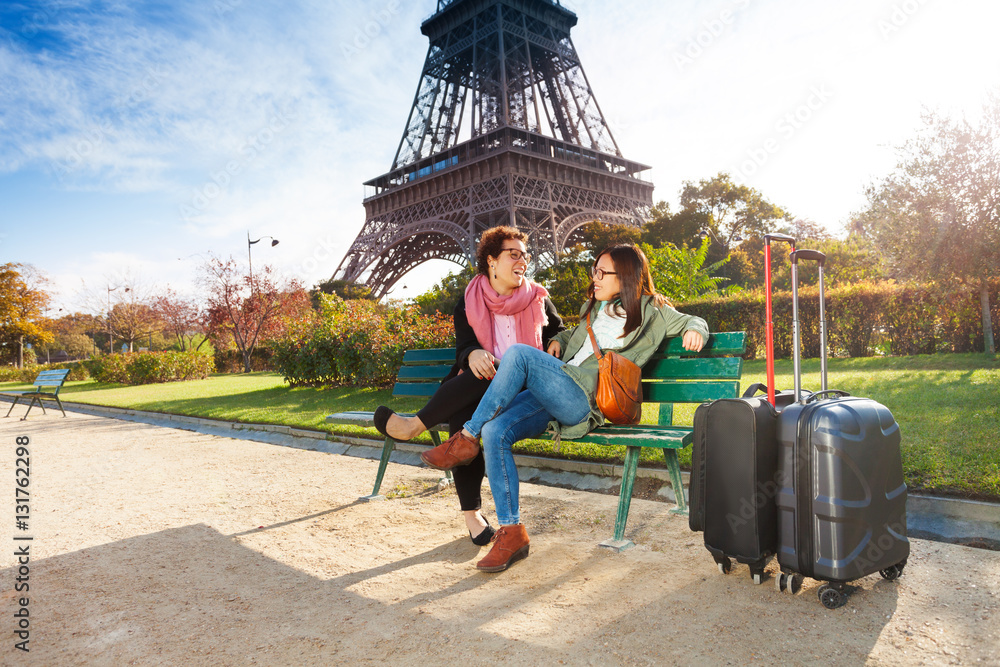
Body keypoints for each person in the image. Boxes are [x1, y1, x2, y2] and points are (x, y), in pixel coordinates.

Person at [420, 243, 709, 572]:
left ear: (626, 277)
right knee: (495, 429)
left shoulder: (651, 310)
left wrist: (693, 332)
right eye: (594, 271)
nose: (595, 278)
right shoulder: (594, 307)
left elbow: (692, 319)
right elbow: (579, 336)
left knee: (518, 354)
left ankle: (464, 438)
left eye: (602, 272)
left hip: (585, 400)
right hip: (558, 392)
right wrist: (560, 339)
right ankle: (512, 532)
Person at [373, 226, 564, 545]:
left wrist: (556, 338)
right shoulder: (469, 302)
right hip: (483, 386)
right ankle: (472, 516)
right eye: (513, 254)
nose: (523, 261)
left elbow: (559, 331)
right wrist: (472, 352)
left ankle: (414, 426)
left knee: (486, 382)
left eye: (525, 255)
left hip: (526, 390)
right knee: (472, 396)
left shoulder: (538, 299)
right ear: (491, 261)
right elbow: (464, 347)